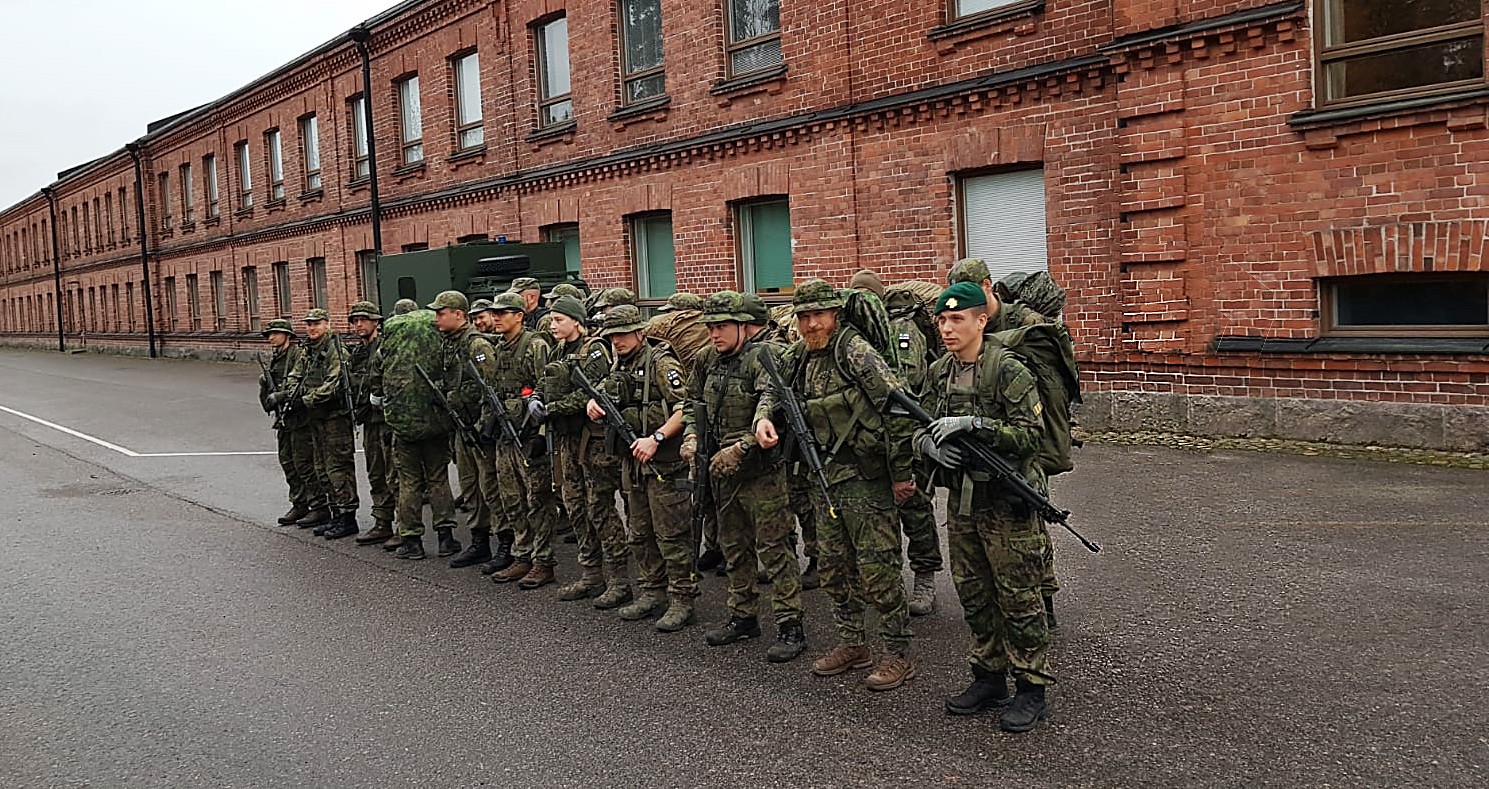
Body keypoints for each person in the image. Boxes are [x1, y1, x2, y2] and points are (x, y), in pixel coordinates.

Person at [915, 280, 1053, 733]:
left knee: (1018, 596)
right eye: (942, 320)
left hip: (1009, 503)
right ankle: (988, 675)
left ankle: (1031, 686)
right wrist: (929, 446)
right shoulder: (940, 372)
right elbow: (919, 424)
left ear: (982, 319)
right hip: (965, 503)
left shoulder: (1008, 370)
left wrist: (976, 425)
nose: (948, 328)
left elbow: (1032, 437)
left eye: (957, 319)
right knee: (973, 594)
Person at [771, 278, 916, 690]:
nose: (811, 324)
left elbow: (898, 409)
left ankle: (898, 652)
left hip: (865, 478)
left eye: (818, 315)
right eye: (803, 316)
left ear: (835, 315)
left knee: (878, 570)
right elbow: (773, 390)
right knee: (834, 568)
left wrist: (903, 474)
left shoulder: (855, 352)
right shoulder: (799, 356)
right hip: (825, 480)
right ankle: (853, 643)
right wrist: (765, 416)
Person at [682, 290, 807, 663]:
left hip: (761, 472)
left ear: (743, 326)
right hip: (720, 473)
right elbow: (691, 403)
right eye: (710, 328)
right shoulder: (706, 360)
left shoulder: (766, 358)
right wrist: (690, 436)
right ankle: (742, 615)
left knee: (775, 548)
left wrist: (742, 448)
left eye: (721, 327)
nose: (715, 335)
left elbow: (777, 406)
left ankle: (790, 624)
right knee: (733, 547)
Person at [948, 258, 1068, 628]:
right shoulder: (965, 326)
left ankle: (1041, 596)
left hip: (1026, 433)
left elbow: (1052, 386)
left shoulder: (1024, 323)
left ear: (987, 285)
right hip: (984, 442)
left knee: (1030, 512)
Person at [587, 305, 697, 631]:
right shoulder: (620, 364)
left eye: (622, 334)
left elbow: (686, 406)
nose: (616, 341)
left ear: (640, 332)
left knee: (672, 534)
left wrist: (657, 437)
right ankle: (652, 591)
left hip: (663, 461)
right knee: (640, 532)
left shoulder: (661, 363)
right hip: (632, 462)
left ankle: (682, 598)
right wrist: (594, 403)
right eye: (611, 336)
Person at [849, 269, 943, 616]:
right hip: (871, 438)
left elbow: (903, 388)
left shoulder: (902, 330)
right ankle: (886, 581)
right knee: (877, 513)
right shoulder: (854, 335)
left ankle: (925, 577)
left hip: (906, 433)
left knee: (915, 508)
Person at [538, 295, 631, 607]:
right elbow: (545, 382)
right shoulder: (557, 350)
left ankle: (619, 579)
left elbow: (590, 394)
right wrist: (536, 399)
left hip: (593, 442)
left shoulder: (594, 350)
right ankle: (591, 573)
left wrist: (551, 408)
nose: (552, 325)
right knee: (575, 506)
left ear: (576, 321)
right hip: (567, 440)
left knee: (599, 508)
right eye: (551, 320)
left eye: (559, 320)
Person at [461, 291, 557, 588]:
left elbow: (547, 389)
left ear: (519, 315)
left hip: (528, 435)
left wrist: (542, 435)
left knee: (537, 500)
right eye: (496, 313)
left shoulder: (535, 345)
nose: (497, 318)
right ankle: (522, 553)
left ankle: (543, 561)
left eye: (504, 313)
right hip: (504, 432)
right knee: (511, 498)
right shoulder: (499, 346)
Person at [371, 305, 460, 559]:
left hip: (402, 423)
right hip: (436, 421)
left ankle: (411, 540)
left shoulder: (388, 345)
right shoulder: (438, 341)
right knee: (438, 479)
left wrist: (381, 402)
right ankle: (446, 538)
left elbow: (376, 380)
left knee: (409, 482)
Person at [270, 309, 362, 539]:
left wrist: (306, 399)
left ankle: (348, 517)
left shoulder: (336, 350)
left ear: (328, 324)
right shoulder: (309, 350)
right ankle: (333, 513)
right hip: (316, 417)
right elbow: (296, 375)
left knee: (338, 468)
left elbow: (334, 383)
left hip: (334, 417)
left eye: (317, 324)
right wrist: (290, 395)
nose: (312, 328)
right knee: (322, 468)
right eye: (309, 324)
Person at [259, 318, 324, 528]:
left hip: (301, 416)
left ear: (287, 335)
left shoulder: (298, 356)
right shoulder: (276, 359)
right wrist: (267, 392)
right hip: (285, 419)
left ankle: (319, 506)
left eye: (275, 333)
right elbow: (269, 393)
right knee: (287, 462)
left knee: (304, 463)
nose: (271, 337)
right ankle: (299, 502)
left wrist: (283, 395)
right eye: (269, 334)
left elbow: (304, 385)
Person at [345, 301, 398, 546]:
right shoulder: (357, 353)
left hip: (386, 419)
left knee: (394, 474)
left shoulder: (386, 347)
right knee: (375, 472)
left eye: (363, 320)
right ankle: (382, 521)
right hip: (368, 419)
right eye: (355, 321)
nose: (358, 325)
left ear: (376, 322)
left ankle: (404, 525)